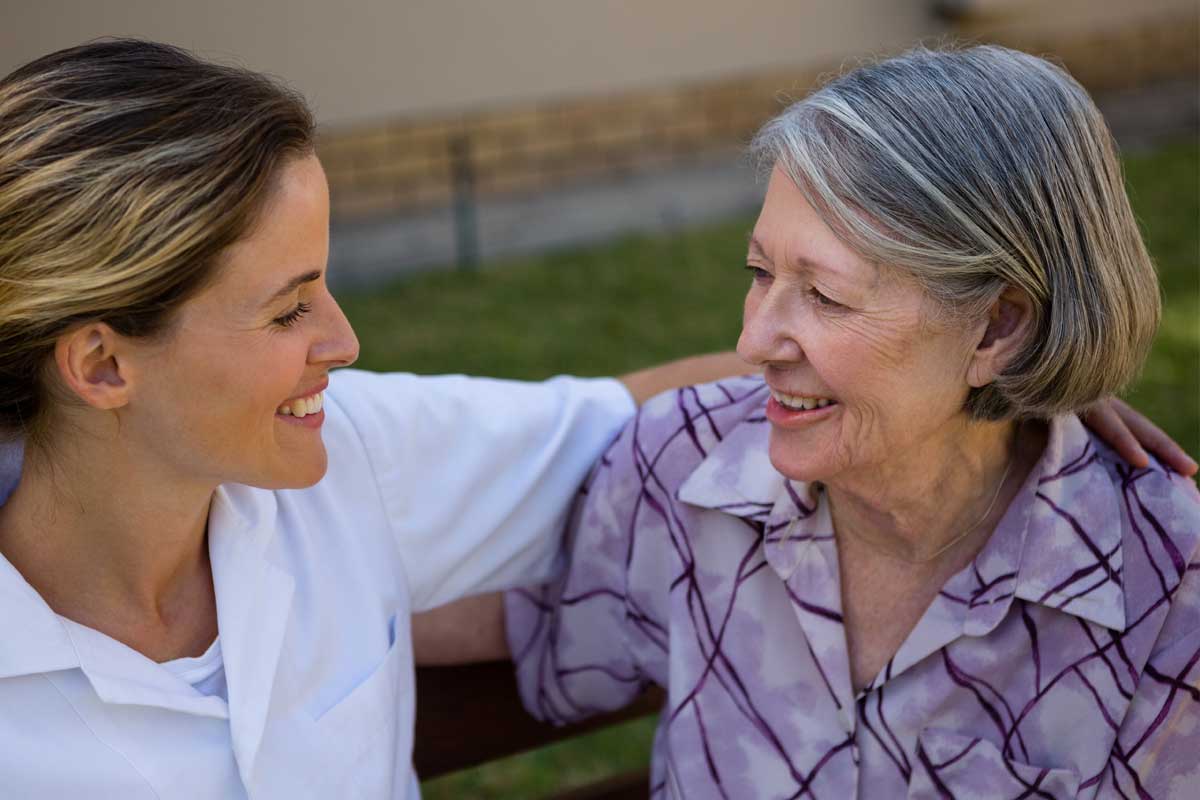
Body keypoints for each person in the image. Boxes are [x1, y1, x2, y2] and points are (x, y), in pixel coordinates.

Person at [0, 39, 1186, 800]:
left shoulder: (341, 451)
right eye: (288, 306)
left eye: (821, 290)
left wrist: (1009, 382)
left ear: (998, 324)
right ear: (101, 365)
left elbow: (620, 410)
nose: (346, 341)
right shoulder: (680, 486)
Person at [485, 46, 1200, 798]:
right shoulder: (686, 463)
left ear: (997, 329)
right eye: (760, 274)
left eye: (825, 296)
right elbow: (473, 615)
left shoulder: (1165, 586)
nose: (751, 343)